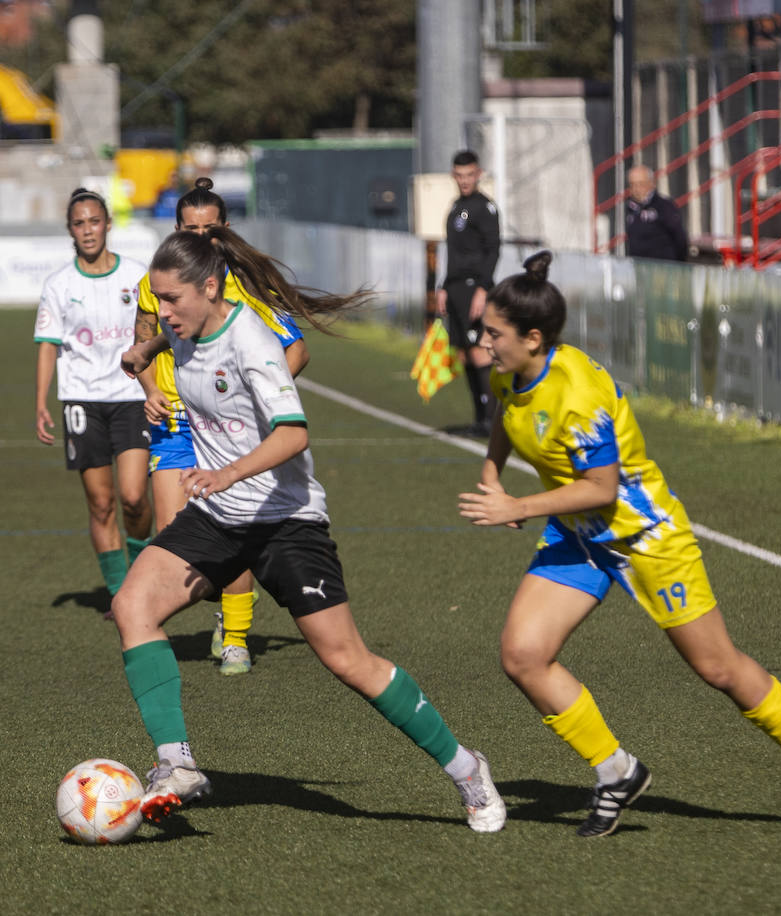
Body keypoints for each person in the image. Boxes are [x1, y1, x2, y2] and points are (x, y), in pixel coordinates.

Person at [456, 250, 781, 837]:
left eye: (494, 333)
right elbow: (507, 417)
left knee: (719, 668)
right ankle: (616, 771)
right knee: (523, 655)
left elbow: (600, 489)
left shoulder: (580, 396)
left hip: (647, 539)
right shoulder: (510, 368)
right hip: (581, 538)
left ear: (534, 337)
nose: (484, 342)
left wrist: (517, 506)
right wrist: (493, 471)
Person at [115, 227, 506, 833]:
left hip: (285, 521)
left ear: (211, 288)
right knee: (132, 605)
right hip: (219, 518)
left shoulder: (252, 342)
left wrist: (229, 472)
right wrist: (145, 354)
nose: (160, 312)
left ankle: (465, 768)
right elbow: (164, 341)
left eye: (171, 301)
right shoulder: (186, 329)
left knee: (348, 660)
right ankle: (177, 765)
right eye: (156, 300)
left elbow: (294, 433)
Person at [133, 177, 310, 676]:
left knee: (230, 525)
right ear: (177, 229)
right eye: (192, 228)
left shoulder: (247, 284)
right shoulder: (158, 280)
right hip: (174, 421)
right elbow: (144, 340)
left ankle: (234, 637)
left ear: (225, 230)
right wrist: (150, 390)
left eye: (211, 229)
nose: (202, 238)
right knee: (175, 537)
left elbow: (295, 349)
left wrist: (257, 398)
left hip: (228, 428)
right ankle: (199, 607)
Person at [34, 187, 154, 603]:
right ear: (70, 230)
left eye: (94, 221)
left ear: (107, 224)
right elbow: (48, 344)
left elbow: (153, 334)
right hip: (82, 400)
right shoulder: (58, 285)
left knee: (135, 497)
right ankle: (123, 595)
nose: (88, 230)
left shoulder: (136, 276)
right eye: (79, 223)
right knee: (101, 503)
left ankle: (142, 577)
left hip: (132, 396)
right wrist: (41, 403)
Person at [436, 150, 500, 438]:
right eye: (459, 175)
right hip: (457, 288)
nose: (464, 180)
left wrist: (483, 289)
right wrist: (444, 287)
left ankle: (492, 420)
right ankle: (479, 418)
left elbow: (492, 249)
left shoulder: (484, 207)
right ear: (453, 175)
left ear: (478, 174)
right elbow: (453, 254)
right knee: (465, 355)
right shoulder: (455, 207)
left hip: (476, 287)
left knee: (481, 354)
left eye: (469, 175)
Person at [625, 165, 688, 262]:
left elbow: (680, 239)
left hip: (664, 268)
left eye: (641, 184)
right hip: (639, 267)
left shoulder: (664, 206)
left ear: (651, 184)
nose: (636, 189)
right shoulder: (630, 208)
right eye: (632, 185)